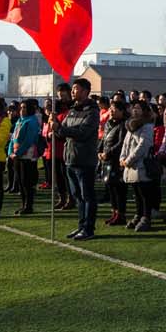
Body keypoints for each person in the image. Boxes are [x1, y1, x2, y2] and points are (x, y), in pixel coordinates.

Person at [55, 77, 101, 240]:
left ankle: (89, 228)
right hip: (70, 158)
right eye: (73, 89)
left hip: (84, 159)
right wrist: (57, 128)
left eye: (76, 89)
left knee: (87, 195)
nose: (72, 92)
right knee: (78, 196)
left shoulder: (92, 111)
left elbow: (83, 132)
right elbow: (62, 131)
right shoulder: (73, 110)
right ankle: (81, 225)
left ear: (86, 91)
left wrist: (63, 129)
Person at [120, 101, 158, 232]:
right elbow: (126, 143)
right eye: (133, 108)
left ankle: (146, 218)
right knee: (136, 193)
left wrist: (129, 159)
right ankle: (138, 214)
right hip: (130, 164)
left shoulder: (147, 125)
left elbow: (143, 145)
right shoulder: (131, 124)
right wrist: (122, 157)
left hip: (141, 163)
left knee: (144, 193)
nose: (135, 110)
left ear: (144, 110)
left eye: (138, 108)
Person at [99, 98, 129, 225]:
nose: (111, 111)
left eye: (114, 109)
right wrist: (99, 151)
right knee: (110, 187)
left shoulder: (124, 124)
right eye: (110, 109)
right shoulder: (109, 123)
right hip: (106, 161)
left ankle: (121, 214)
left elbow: (121, 143)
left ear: (122, 111)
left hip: (117, 161)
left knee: (119, 189)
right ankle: (114, 212)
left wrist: (108, 153)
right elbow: (104, 139)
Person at [10, 99, 43, 215]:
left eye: (24, 108)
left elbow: (29, 140)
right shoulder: (19, 121)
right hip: (16, 155)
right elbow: (13, 138)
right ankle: (23, 204)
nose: (22, 110)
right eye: (21, 107)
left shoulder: (32, 121)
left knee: (26, 182)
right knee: (20, 181)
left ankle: (28, 205)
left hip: (27, 156)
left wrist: (17, 153)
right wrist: (10, 152)